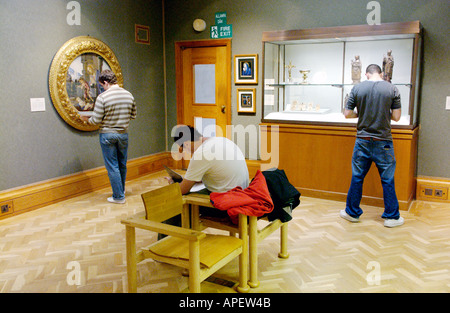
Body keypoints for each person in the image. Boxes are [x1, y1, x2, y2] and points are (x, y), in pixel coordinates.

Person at [340, 64, 404, 227]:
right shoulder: (392, 89)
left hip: (362, 140)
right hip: (383, 141)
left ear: (367, 74)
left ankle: (352, 213)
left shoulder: (357, 88)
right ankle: (392, 217)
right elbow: (396, 117)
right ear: (381, 74)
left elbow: (347, 114)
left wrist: (361, 113)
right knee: (387, 179)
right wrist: (383, 113)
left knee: (357, 177)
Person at [81, 70, 136, 204]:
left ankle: (118, 197)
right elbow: (133, 115)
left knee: (112, 166)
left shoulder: (103, 97)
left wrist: (86, 119)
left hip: (107, 134)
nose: (102, 88)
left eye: (102, 85)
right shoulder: (129, 95)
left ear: (105, 82)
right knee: (122, 164)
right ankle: (120, 190)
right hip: (123, 134)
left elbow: (96, 120)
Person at [169, 125, 249, 195]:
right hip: (243, 193)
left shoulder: (201, 153)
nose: (186, 152)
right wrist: (186, 179)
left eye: (183, 148)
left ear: (186, 143)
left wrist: (173, 185)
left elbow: (183, 190)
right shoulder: (220, 140)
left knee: (179, 198)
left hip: (227, 199)